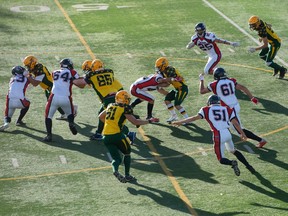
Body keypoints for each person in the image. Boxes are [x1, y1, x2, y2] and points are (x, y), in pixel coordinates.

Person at [172, 95, 256, 176]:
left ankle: (232, 163)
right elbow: (236, 123)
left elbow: (193, 118)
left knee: (221, 159)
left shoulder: (206, 109)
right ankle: (249, 166)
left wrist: (180, 122)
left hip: (218, 134)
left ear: (209, 102)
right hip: (228, 133)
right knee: (233, 150)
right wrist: (243, 133)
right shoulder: (227, 109)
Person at [99, 90, 159, 183]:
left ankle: (115, 171)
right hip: (117, 136)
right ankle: (127, 175)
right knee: (127, 153)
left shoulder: (110, 105)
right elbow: (135, 122)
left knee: (116, 159)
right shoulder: (125, 108)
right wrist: (150, 121)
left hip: (106, 137)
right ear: (125, 100)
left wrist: (111, 124)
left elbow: (100, 117)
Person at [199, 67, 267, 148]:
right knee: (229, 124)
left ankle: (260, 140)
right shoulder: (231, 81)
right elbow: (243, 88)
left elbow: (202, 91)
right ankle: (225, 135)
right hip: (235, 106)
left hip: (230, 109)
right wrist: (252, 98)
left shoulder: (214, 84)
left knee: (239, 129)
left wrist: (201, 80)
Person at [73, 59, 136, 143]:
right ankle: (98, 133)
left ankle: (128, 133)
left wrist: (71, 80)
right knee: (101, 113)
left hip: (107, 98)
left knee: (110, 119)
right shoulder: (109, 72)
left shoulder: (91, 75)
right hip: (116, 96)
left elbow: (81, 83)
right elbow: (118, 87)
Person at [23, 55, 77, 120]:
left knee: (53, 102)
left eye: (28, 65)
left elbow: (35, 83)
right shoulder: (35, 68)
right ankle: (64, 113)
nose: (27, 67)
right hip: (47, 87)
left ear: (32, 63)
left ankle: (72, 108)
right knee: (52, 102)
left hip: (51, 86)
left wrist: (28, 76)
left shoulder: (39, 69)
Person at [43, 58, 81, 142]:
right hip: (66, 97)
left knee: (48, 116)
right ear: (70, 65)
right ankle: (71, 123)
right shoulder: (72, 72)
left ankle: (49, 135)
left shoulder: (54, 72)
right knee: (70, 113)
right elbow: (78, 81)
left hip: (54, 97)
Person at [154, 57, 189, 122]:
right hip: (177, 89)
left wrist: (161, 82)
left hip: (182, 88)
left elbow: (172, 80)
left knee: (177, 105)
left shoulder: (170, 70)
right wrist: (157, 85)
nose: (158, 68)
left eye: (159, 67)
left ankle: (187, 119)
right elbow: (167, 83)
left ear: (164, 65)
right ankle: (174, 116)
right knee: (167, 100)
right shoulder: (164, 72)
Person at [0, 66, 30, 131]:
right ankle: (19, 120)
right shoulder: (26, 79)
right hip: (20, 101)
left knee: (8, 115)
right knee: (28, 103)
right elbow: (31, 79)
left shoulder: (12, 79)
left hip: (10, 100)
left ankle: (6, 123)